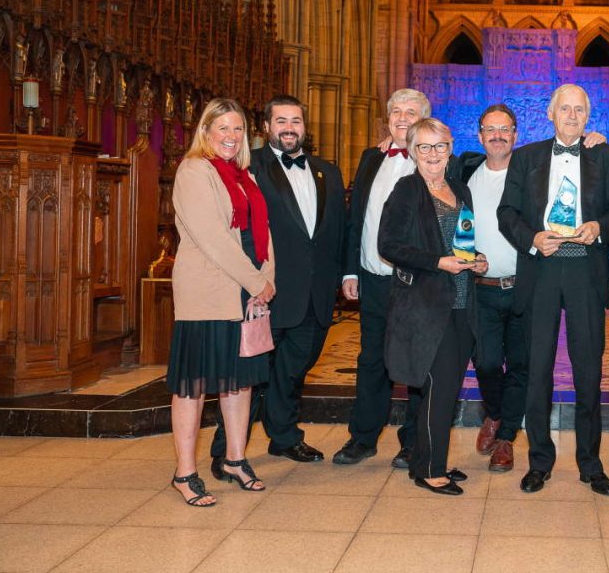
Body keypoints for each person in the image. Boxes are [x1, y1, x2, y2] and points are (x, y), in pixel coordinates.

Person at [497, 83, 609, 496]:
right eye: (565, 109)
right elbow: (507, 213)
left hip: (586, 275)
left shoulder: (605, 156)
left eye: (579, 110)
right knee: (537, 370)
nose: (572, 116)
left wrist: (599, 228)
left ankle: (591, 464)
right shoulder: (526, 157)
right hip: (540, 272)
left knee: (589, 372)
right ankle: (540, 461)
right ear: (550, 114)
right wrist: (533, 238)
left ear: (587, 116)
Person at [208, 96, 347, 474]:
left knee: (292, 371)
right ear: (266, 127)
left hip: (315, 294)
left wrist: (344, 277)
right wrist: (251, 281)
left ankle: (284, 436)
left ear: (305, 126)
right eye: (281, 120)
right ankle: (226, 450)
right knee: (251, 374)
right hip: (265, 291)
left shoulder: (328, 172)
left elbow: (339, 232)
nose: (289, 127)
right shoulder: (248, 167)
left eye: (296, 121)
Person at [167, 97, 274, 506]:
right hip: (208, 295)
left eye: (238, 129)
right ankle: (185, 472)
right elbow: (212, 238)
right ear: (206, 131)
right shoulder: (194, 171)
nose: (231, 136)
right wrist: (256, 280)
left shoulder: (245, 176)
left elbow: (264, 233)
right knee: (193, 385)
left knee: (238, 381)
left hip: (245, 291)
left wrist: (267, 278)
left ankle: (234, 459)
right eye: (223, 128)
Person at [378, 118, 488, 494]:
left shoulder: (460, 189)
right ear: (412, 151)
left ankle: (430, 459)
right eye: (423, 147)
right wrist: (437, 262)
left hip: (460, 303)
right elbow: (389, 246)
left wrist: (478, 260)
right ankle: (429, 468)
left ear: (450, 148)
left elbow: (463, 242)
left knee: (447, 388)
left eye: (439, 146)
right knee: (436, 388)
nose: (432, 155)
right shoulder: (407, 190)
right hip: (425, 306)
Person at [335, 88, 429, 468]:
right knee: (371, 359)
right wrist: (350, 268)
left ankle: (413, 442)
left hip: (415, 281)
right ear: (387, 118)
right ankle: (363, 438)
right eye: (396, 112)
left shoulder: (438, 159)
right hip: (373, 277)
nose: (402, 117)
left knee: (414, 363)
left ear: (423, 118)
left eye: (411, 112)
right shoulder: (370, 157)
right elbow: (356, 216)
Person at [456, 104, 526, 473]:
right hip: (479, 289)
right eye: (490, 129)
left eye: (505, 129)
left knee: (519, 365)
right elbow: (422, 155)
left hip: (523, 288)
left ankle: (507, 439)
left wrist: (594, 142)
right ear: (480, 135)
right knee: (484, 361)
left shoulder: (531, 172)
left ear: (516, 134)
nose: (497, 135)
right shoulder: (464, 171)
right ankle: (495, 413)